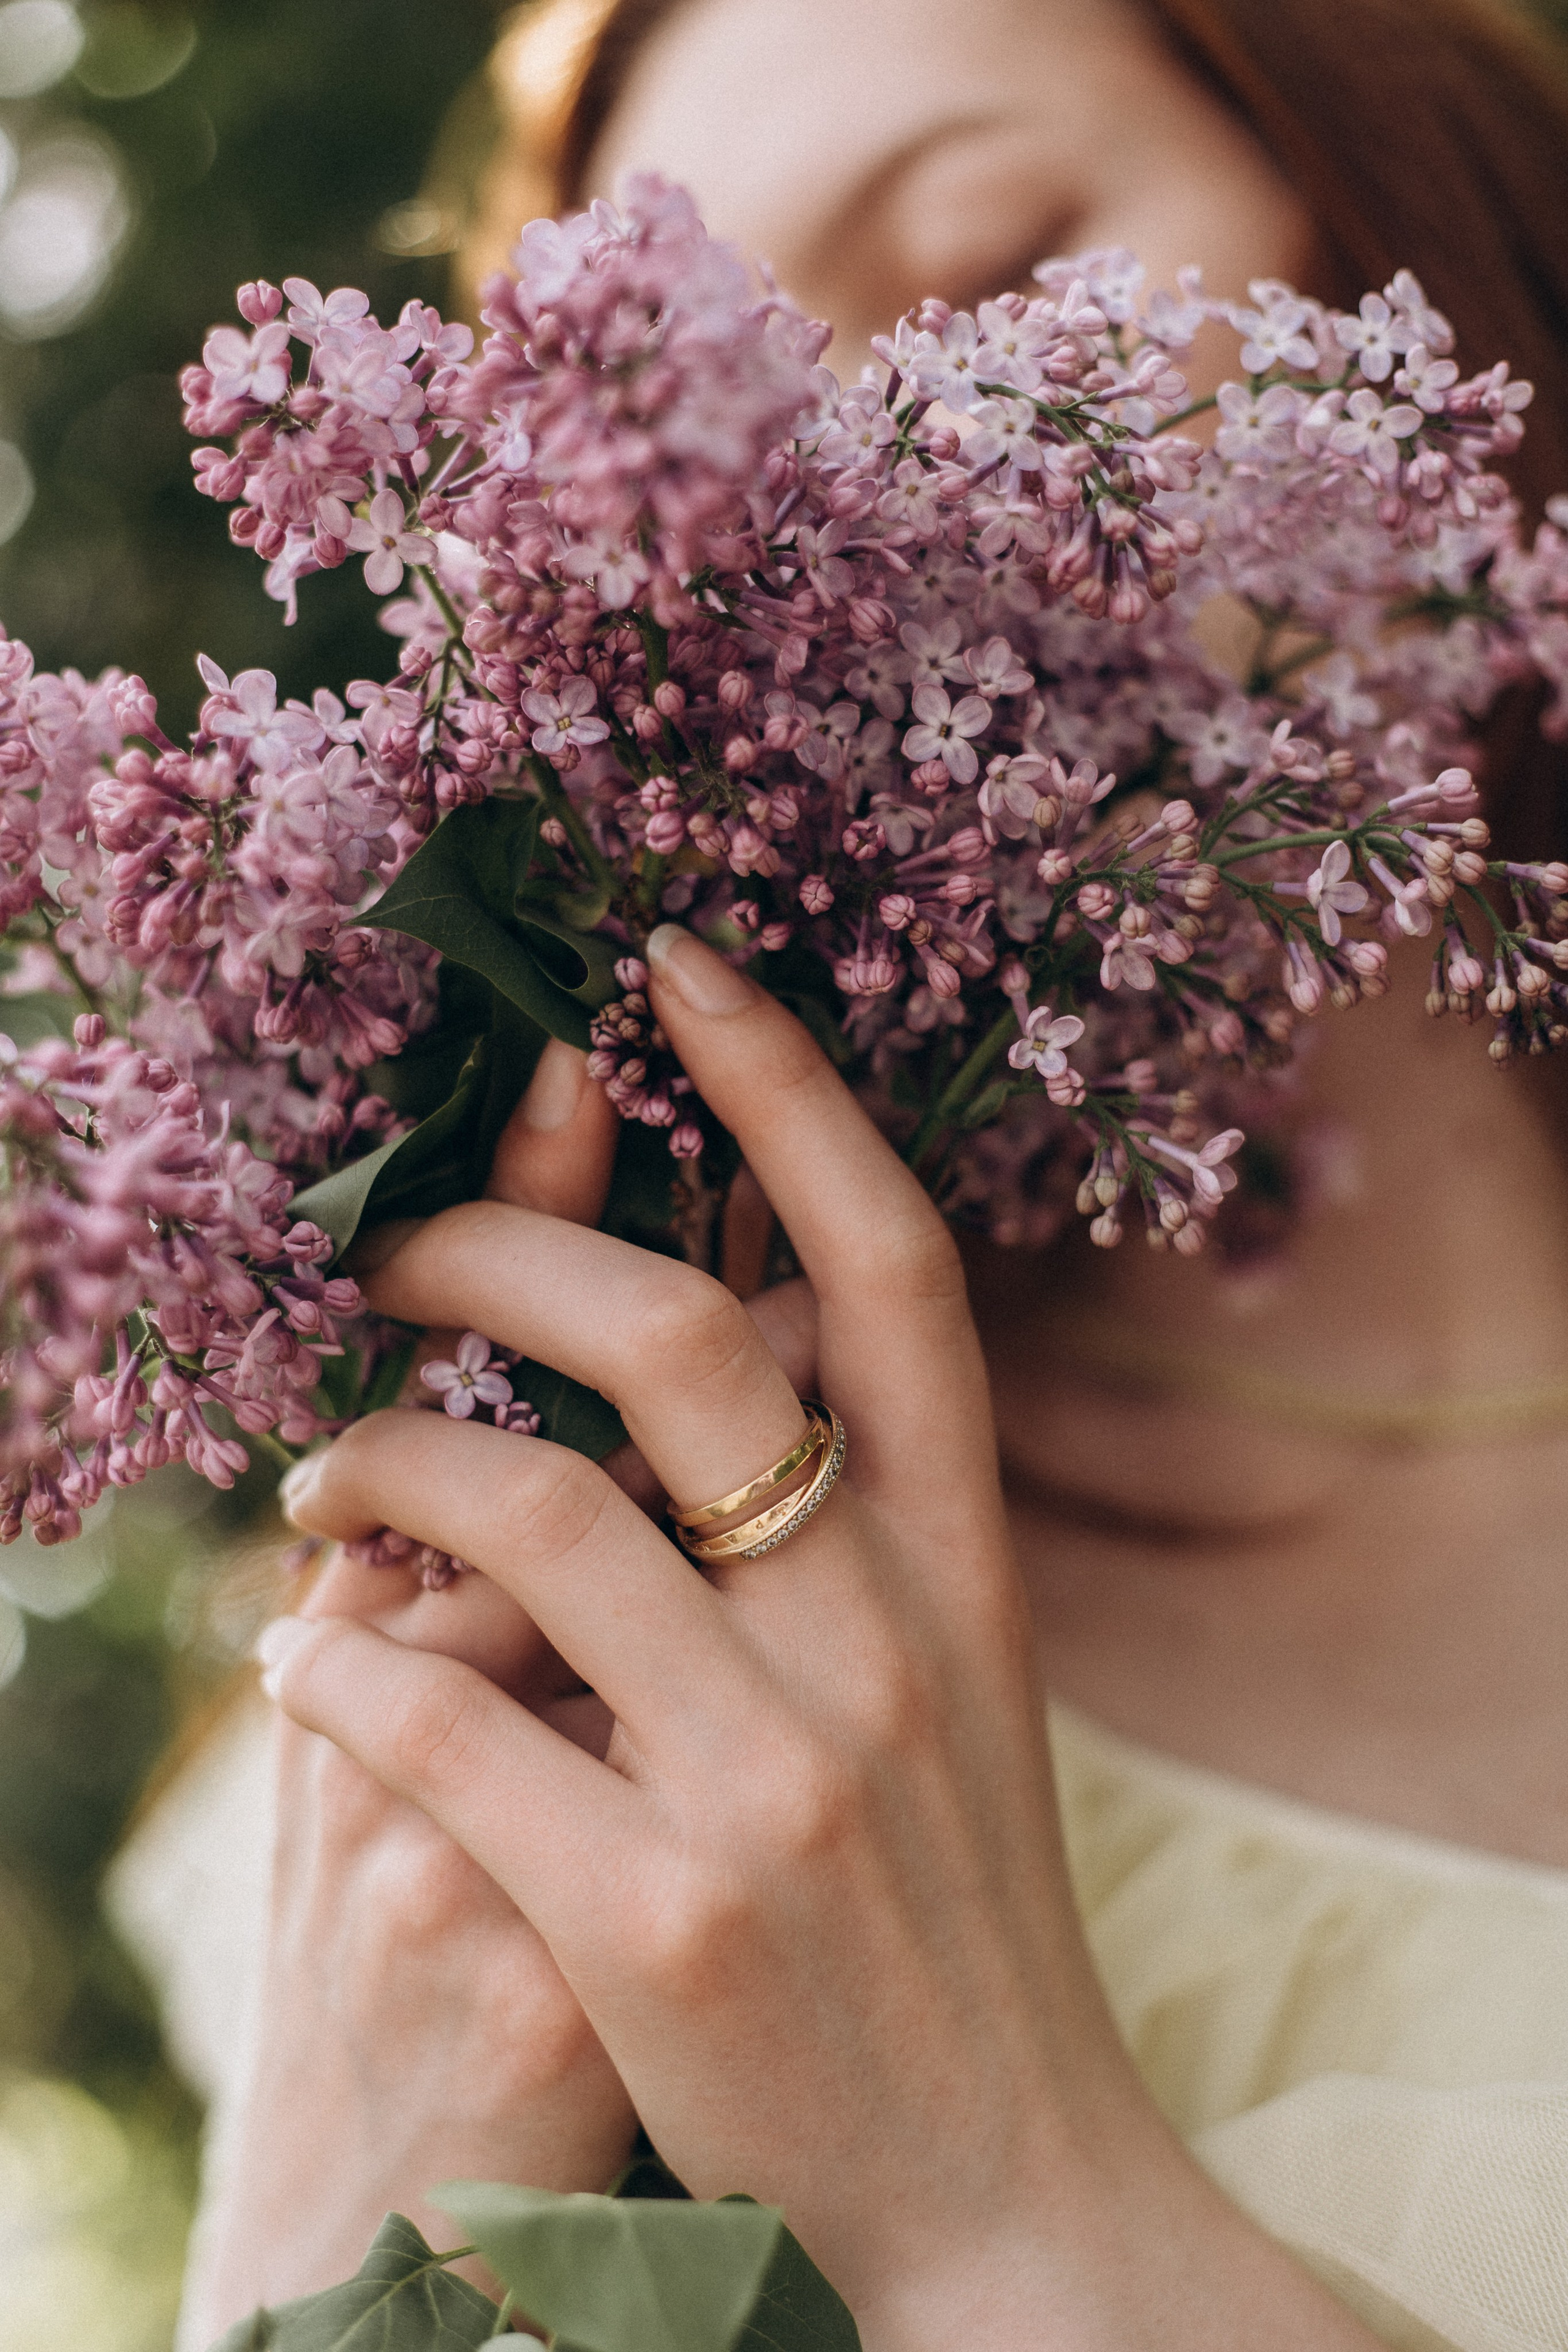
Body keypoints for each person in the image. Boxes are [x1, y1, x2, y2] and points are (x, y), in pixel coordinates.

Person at [170, 1, 1568, 2342]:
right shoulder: (557, 1742)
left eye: (984, 251)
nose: (853, 494)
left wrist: (1012, 2219)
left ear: (1406, 212)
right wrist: (318, 2233)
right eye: (688, 454)